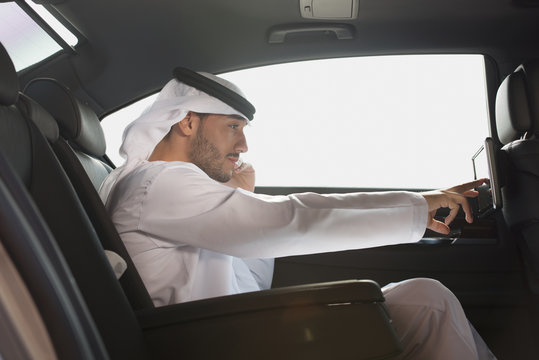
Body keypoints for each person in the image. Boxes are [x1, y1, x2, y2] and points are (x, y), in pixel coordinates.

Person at [99, 68, 496, 359]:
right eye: (233, 127)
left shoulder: (159, 185)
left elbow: (251, 281)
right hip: (217, 342)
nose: (244, 145)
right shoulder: (159, 182)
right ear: (187, 122)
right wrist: (416, 203)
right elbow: (290, 218)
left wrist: (241, 195)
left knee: (425, 298)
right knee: (430, 304)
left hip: (230, 330)